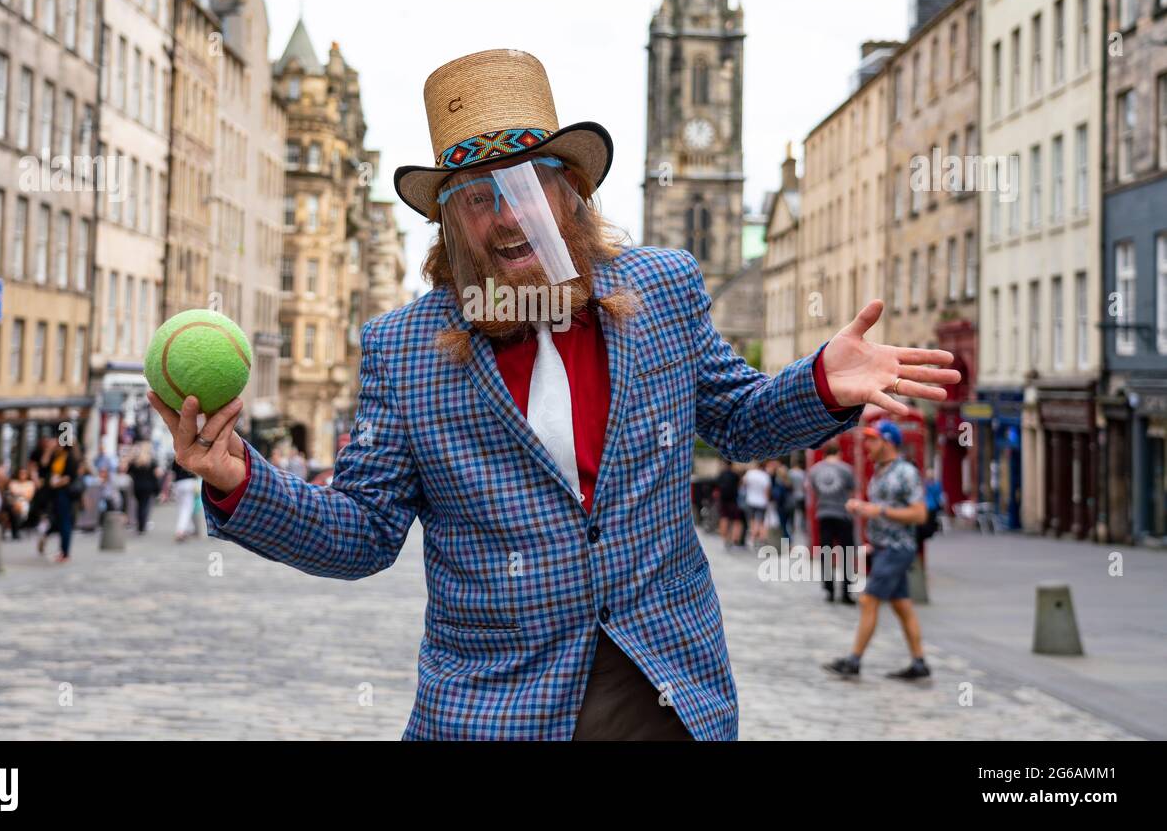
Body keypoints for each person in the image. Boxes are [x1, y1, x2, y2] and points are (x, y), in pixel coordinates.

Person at [148, 48, 959, 740]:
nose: (508, 218)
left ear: (572, 194)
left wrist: (821, 380)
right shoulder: (402, 348)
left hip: (664, 697)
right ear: (449, 224)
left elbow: (739, 418)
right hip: (494, 709)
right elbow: (362, 533)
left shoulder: (664, 290)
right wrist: (239, 478)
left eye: (529, 188)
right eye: (477, 196)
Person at [824, 421, 931, 680]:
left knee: (868, 600)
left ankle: (854, 660)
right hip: (883, 547)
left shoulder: (905, 472)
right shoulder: (880, 472)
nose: (867, 445)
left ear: (888, 442)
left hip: (897, 549)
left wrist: (878, 511)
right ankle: (919, 663)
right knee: (902, 606)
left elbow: (919, 514)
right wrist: (864, 508)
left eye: (873, 440)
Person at [808, 440, 857, 604]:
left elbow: (814, 489)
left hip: (824, 514)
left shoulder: (815, 470)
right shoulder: (846, 469)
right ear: (839, 453)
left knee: (826, 553)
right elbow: (851, 490)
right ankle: (846, 592)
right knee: (847, 554)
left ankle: (829, 590)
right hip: (843, 514)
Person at [41, 443, 80, 563]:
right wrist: (49, 449)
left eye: (58, 444)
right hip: (55, 494)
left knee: (64, 522)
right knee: (58, 520)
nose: (56, 446)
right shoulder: (57, 456)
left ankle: (65, 552)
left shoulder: (71, 458)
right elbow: (44, 464)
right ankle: (55, 545)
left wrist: (55, 484)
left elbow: (69, 478)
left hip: (65, 494)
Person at [127, 442, 161, 535]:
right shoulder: (152, 461)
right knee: (145, 506)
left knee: (138, 506)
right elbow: (158, 474)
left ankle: (139, 525)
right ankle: (142, 525)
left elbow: (128, 472)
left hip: (137, 486)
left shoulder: (135, 462)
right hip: (148, 487)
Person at [742, 460, 772, 546]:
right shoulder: (765, 476)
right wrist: (768, 501)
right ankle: (761, 538)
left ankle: (752, 538)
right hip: (762, 501)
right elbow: (767, 491)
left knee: (752, 521)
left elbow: (743, 484)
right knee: (761, 521)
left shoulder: (750, 473)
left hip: (750, 500)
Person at [715, 460, 744, 550]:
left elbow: (717, 487)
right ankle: (734, 540)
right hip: (733, 500)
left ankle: (725, 539)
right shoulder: (735, 475)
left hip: (723, 500)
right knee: (736, 520)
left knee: (724, 518)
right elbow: (740, 485)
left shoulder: (721, 474)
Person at [171, 460, 199, 541]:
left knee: (181, 508)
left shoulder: (177, 457)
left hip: (178, 484)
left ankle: (188, 528)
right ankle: (181, 530)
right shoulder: (192, 457)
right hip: (189, 483)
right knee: (187, 509)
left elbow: (173, 472)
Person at [6, 466, 37, 539]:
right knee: (15, 507)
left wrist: (19, 493)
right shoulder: (13, 482)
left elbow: (29, 496)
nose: (22, 475)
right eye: (21, 473)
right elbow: (12, 493)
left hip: (25, 503)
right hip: (13, 502)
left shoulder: (30, 483)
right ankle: (16, 531)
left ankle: (16, 530)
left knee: (18, 507)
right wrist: (22, 494)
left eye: (24, 473)